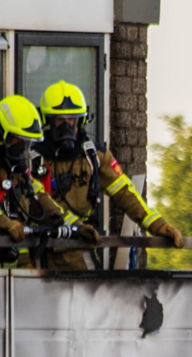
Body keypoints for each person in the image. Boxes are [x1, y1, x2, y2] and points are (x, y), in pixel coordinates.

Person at [31, 80, 183, 270]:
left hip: (81, 251)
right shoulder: (33, 160)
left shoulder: (94, 157)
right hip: (41, 252)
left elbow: (125, 193)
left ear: (81, 121)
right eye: (61, 120)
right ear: (47, 120)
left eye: (72, 119)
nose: (67, 126)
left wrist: (157, 224)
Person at [0, 94, 96, 266]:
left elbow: (41, 200)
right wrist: (4, 223)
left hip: (12, 268)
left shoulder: (15, 167)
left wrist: (77, 226)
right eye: (19, 140)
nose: (23, 150)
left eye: (27, 143)